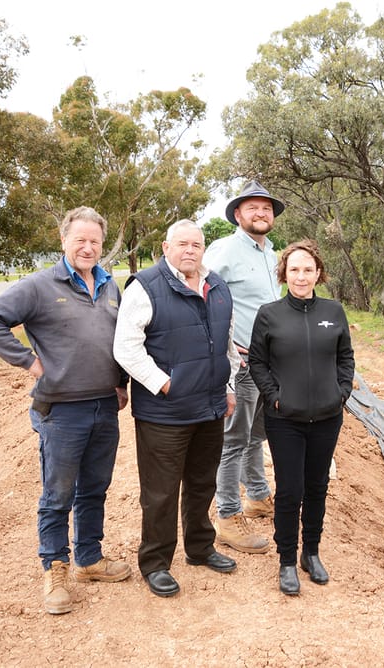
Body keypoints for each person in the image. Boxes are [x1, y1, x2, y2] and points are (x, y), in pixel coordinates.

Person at [0, 206, 132, 615]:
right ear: (63, 241)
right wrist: (28, 361)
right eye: (80, 239)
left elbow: (116, 340)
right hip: (61, 411)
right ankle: (54, 567)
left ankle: (89, 559)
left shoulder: (110, 285)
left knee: (95, 488)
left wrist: (120, 382)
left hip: (103, 407)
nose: (88, 247)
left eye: (95, 240)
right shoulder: (40, 286)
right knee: (58, 493)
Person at [112, 219, 240, 598]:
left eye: (196, 245)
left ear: (203, 250)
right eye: (182, 244)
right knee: (160, 492)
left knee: (202, 483)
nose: (189, 251)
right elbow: (126, 347)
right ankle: (155, 563)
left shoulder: (217, 286)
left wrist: (229, 387)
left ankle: (200, 548)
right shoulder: (146, 287)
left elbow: (226, 343)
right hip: (164, 413)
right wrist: (164, 384)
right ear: (166, 248)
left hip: (211, 406)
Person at [248, 239, 355, 595]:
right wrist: (275, 398)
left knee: (317, 487)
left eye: (308, 269)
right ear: (284, 273)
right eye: (294, 269)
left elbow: (346, 357)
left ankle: (311, 552)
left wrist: (342, 392)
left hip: (327, 417)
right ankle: (286, 561)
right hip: (285, 419)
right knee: (290, 490)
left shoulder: (334, 311)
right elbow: (258, 363)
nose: (301, 276)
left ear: (318, 273)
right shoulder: (269, 314)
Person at [202, 180, 284, 555]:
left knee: (256, 434)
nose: (260, 213)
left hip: (268, 361)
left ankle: (257, 494)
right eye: (252, 207)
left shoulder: (271, 255)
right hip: (240, 361)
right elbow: (201, 294)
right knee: (234, 439)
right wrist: (221, 346)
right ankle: (228, 516)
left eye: (266, 208)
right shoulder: (225, 250)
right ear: (238, 214)